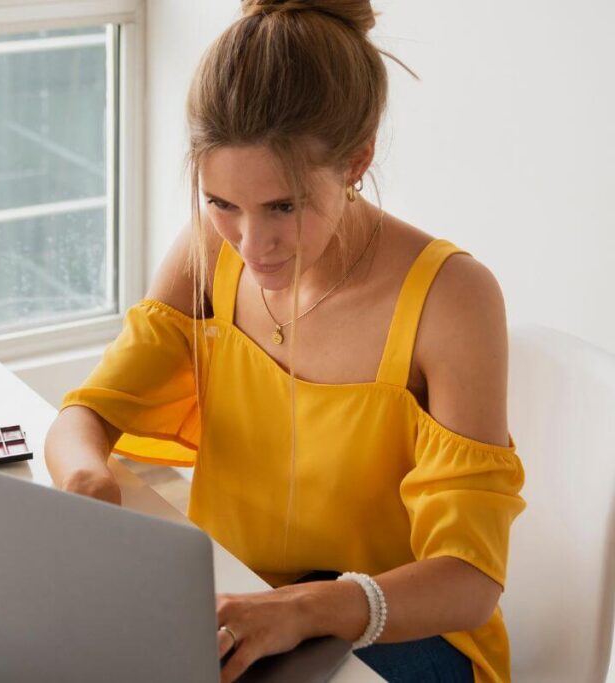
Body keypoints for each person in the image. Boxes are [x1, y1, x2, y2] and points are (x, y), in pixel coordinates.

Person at [44, 1, 526, 682]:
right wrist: (86, 477)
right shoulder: (211, 248)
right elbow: (84, 414)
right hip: (238, 609)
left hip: (394, 634)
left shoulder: (454, 299)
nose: (251, 242)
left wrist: (300, 609)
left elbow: (471, 580)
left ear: (356, 161)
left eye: (284, 207)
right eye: (223, 203)